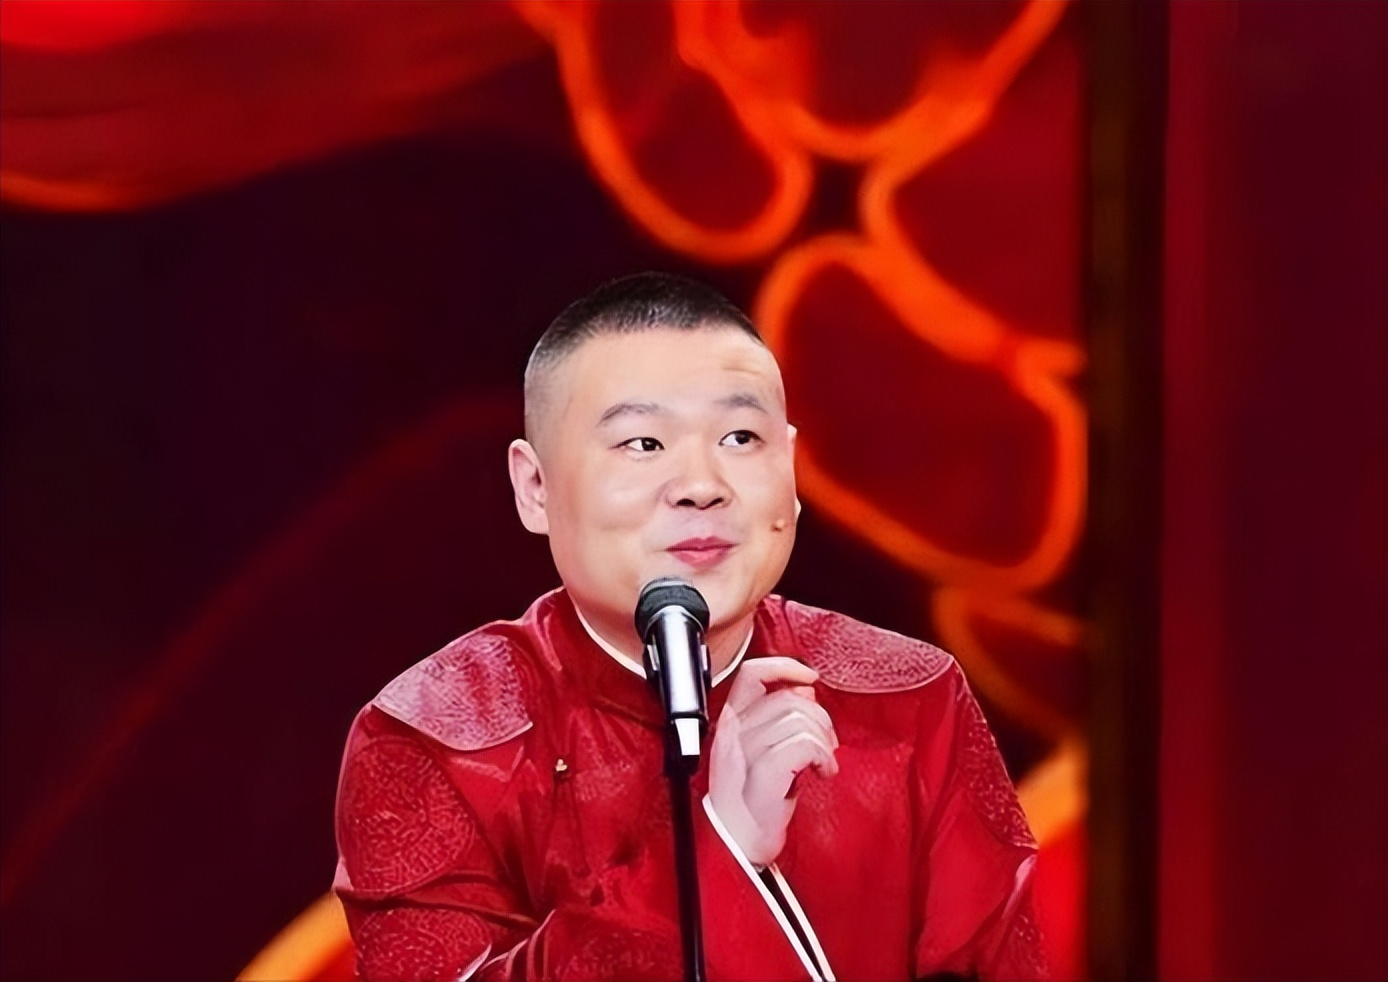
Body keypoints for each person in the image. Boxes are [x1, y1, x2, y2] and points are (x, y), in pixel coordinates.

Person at [332, 272, 1046, 981]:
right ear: (535, 488)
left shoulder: (911, 700)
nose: (703, 486)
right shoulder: (433, 738)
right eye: (643, 444)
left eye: (740, 437)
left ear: (790, 469)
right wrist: (720, 846)